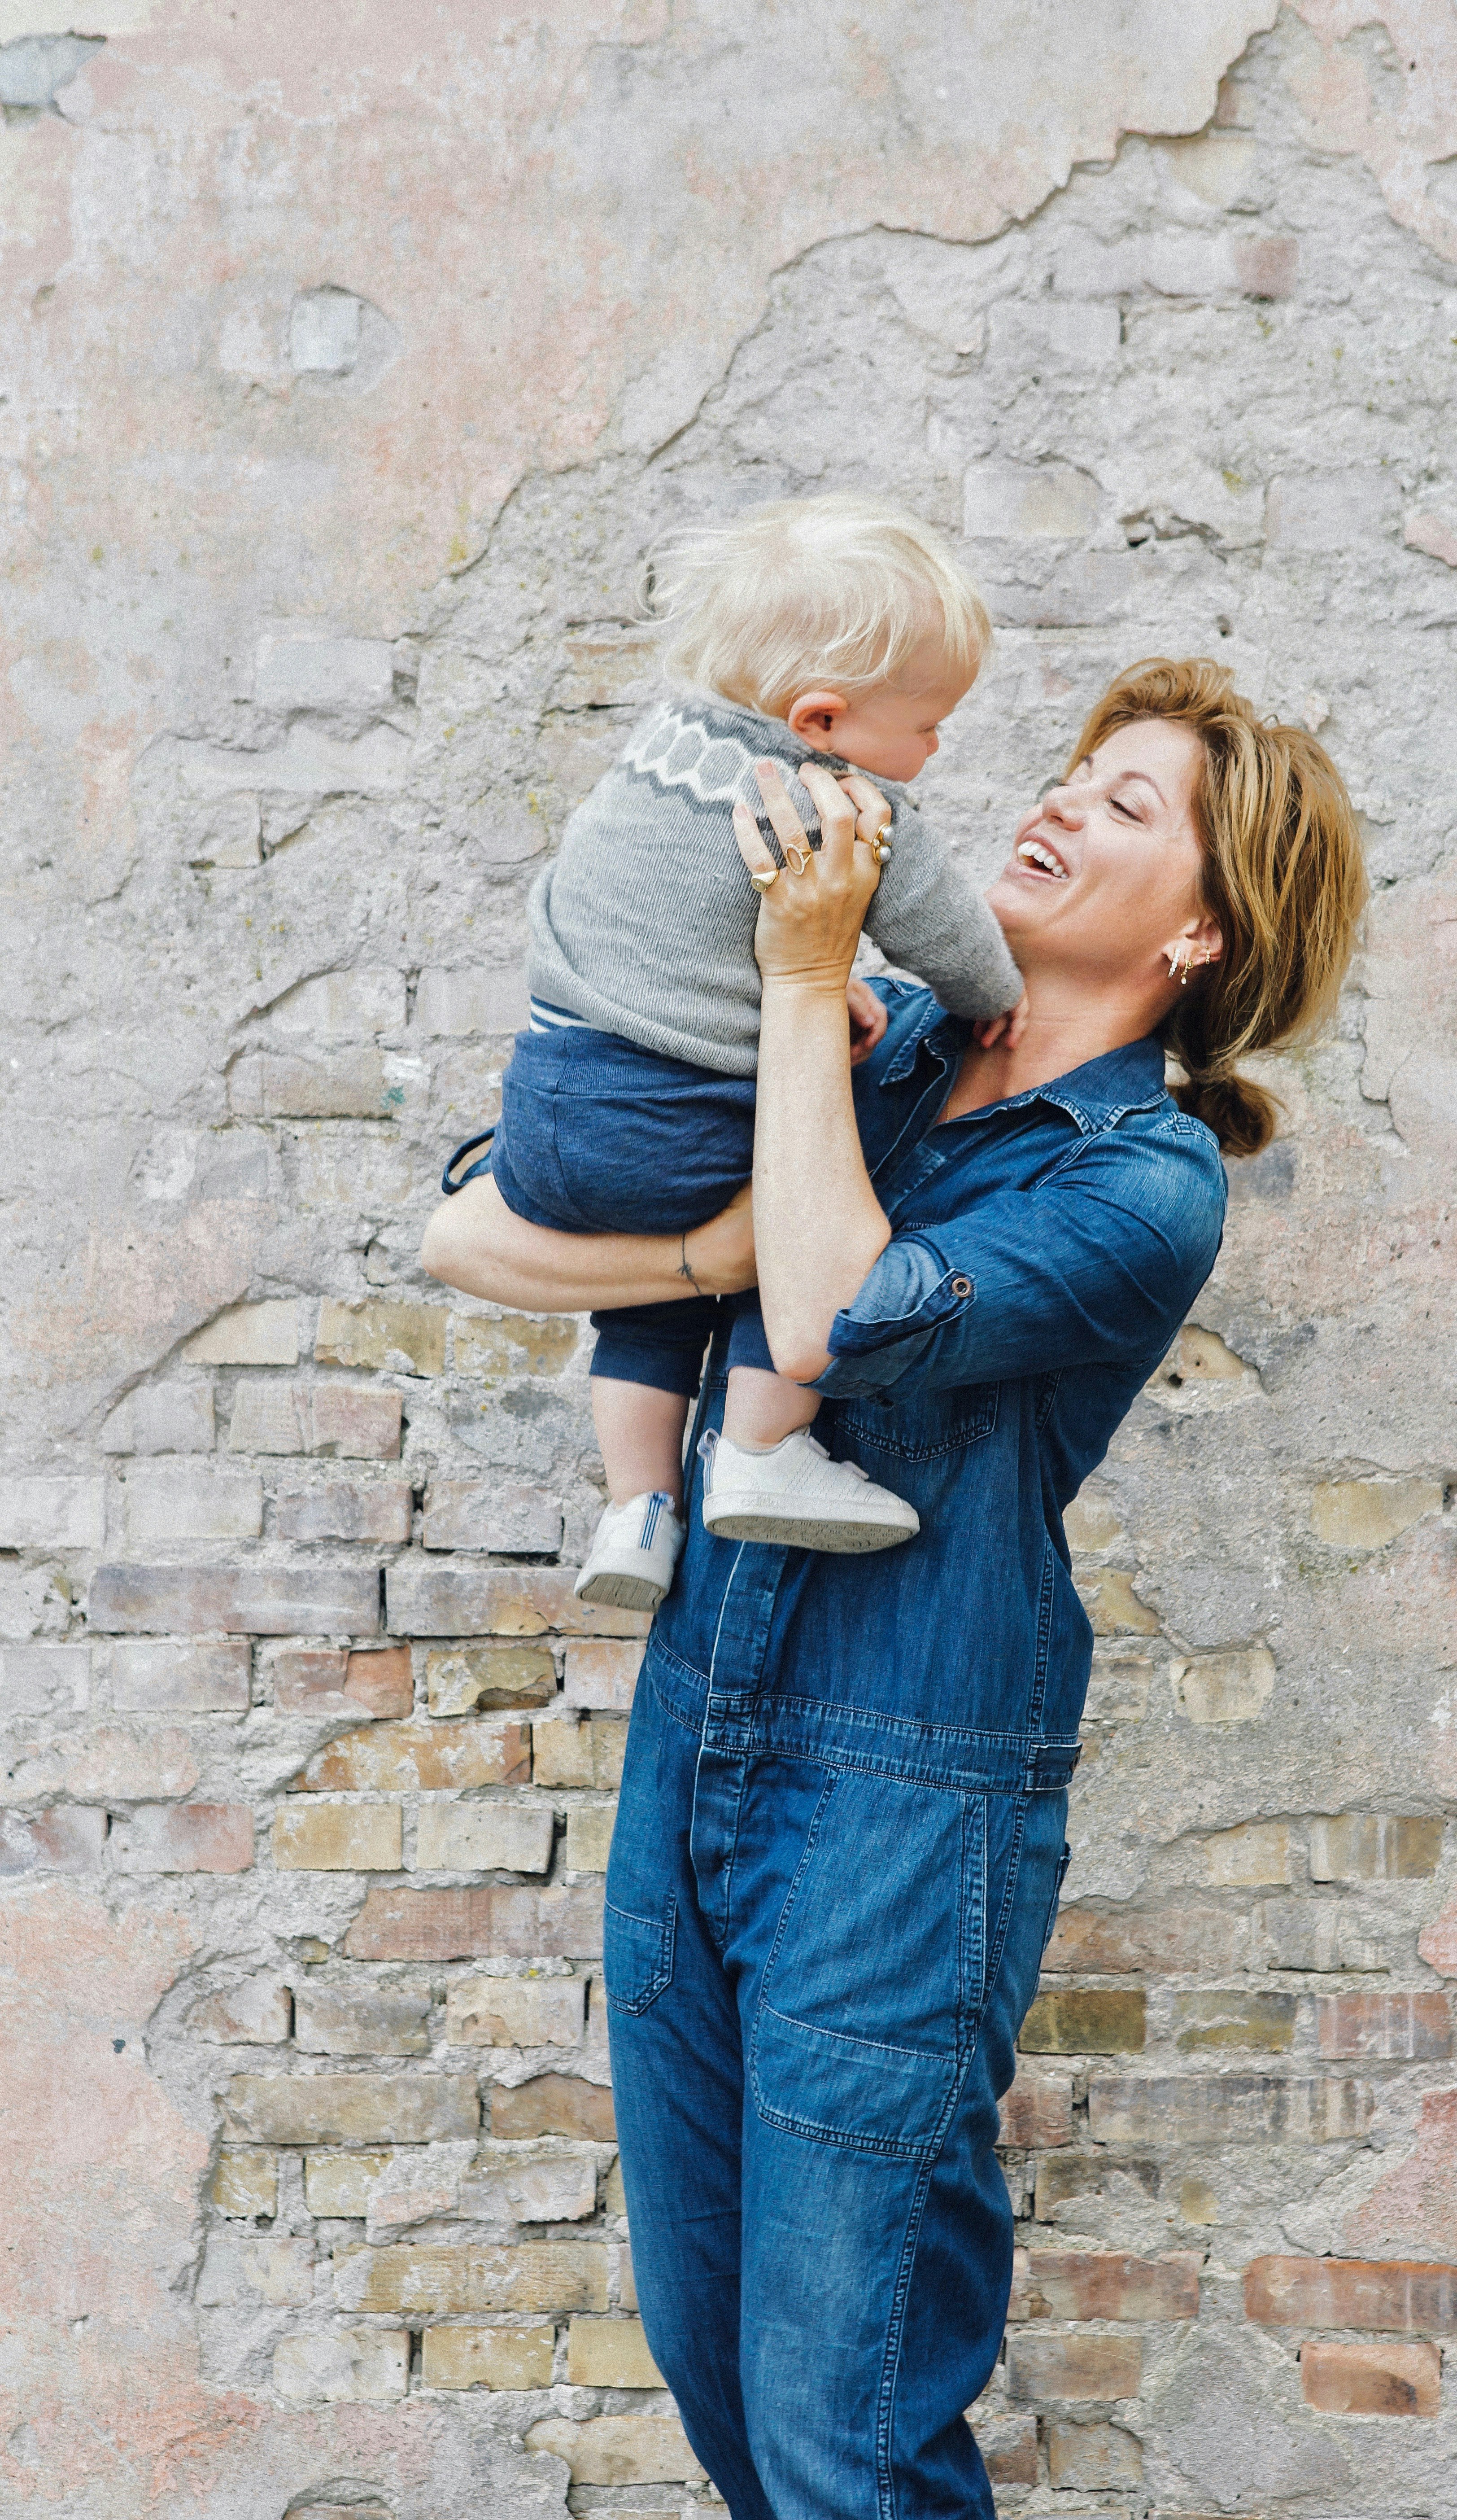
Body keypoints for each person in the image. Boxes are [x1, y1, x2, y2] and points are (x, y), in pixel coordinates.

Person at [420, 656, 1367, 2519]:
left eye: (1128, 805)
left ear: (1202, 928)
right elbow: (481, 1211)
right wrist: (720, 1194)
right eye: (1074, 771)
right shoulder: (901, 1037)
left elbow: (838, 1313)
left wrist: (790, 989)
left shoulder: (1142, 1179)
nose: (1060, 804)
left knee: (842, 2427)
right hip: (698, 1732)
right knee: (714, 2368)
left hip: (903, 1799)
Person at [493, 494, 1025, 1614]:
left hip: (546, 1102)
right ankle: (760, 1446)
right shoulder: (846, 804)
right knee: (807, 1183)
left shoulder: (660, 748)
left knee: (644, 1304)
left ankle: (636, 1509)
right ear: (822, 720)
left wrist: (813, 1001)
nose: (938, 747)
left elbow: (671, 934)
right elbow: (945, 931)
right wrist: (994, 998)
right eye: (931, 723)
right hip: (664, 1117)